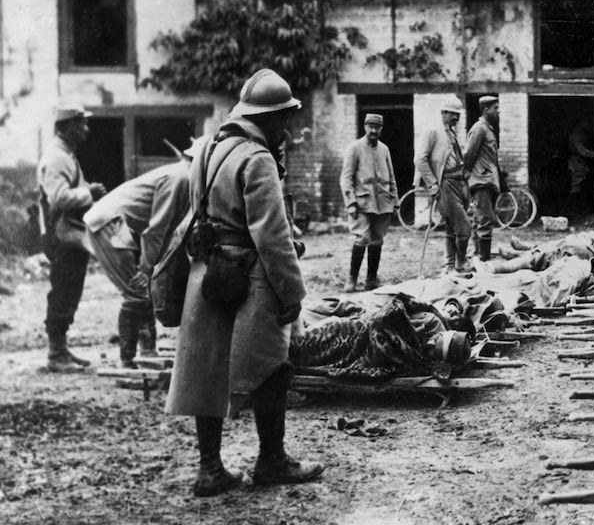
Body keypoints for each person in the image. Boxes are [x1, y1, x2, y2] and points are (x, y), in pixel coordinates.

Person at [165, 68, 323, 497]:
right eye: (284, 119)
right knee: (275, 364)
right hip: (250, 274)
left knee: (206, 368)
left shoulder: (208, 148)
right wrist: (292, 294)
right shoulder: (257, 158)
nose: (286, 128)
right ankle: (272, 459)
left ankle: (210, 469)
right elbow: (272, 236)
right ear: (270, 118)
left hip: (208, 271)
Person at [85, 155, 191, 369]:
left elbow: (166, 231)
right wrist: (146, 268)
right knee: (137, 290)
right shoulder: (181, 178)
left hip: (118, 224)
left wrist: (154, 267)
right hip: (108, 223)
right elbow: (157, 230)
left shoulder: (184, 178)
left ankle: (148, 352)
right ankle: (128, 359)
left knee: (143, 289)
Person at [37, 103, 106, 373]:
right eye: (81, 124)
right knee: (64, 289)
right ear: (65, 127)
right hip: (61, 233)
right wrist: (91, 193)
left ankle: (61, 349)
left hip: (68, 232)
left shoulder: (65, 154)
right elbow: (59, 197)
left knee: (70, 287)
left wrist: (87, 190)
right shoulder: (57, 158)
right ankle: (55, 354)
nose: (86, 130)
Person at [341, 113, 398, 292]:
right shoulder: (354, 148)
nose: (373, 130)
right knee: (362, 237)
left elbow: (391, 176)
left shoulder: (384, 149)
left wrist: (395, 200)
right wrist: (350, 202)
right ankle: (352, 279)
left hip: (383, 202)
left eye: (377, 127)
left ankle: (371, 279)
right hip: (362, 202)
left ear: (381, 129)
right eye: (370, 126)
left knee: (377, 239)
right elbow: (346, 178)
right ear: (365, 126)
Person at [414, 97, 472, 274]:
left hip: (459, 183)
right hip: (445, 184)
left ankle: (449, 265)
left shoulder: (451, 133)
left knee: (451, 227)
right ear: (443, 113)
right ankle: (460, 264)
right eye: (453, 114)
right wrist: (432, 185)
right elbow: (419, 159)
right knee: (464, 228)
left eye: (458, 115)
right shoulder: (433, 132)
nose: (456, 118)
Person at [464, 95, 501, 262]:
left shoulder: (488, 128)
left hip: (488, 180)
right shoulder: (479, 128)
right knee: (485, 219)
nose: (498, 111)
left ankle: (478, 255)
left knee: (481, 218)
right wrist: (466, 173)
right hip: (481, 181)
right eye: (495, 108)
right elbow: (469, 153)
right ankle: (483, 259)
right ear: (486, 110)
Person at [567, 122, 594, 214]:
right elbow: (583, 152)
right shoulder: (577, 136)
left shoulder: (583, 134)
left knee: (581, 185)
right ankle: (574, 211)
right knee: (576, 185)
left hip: (581, 162)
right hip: (576, 162)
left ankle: (579, 209)